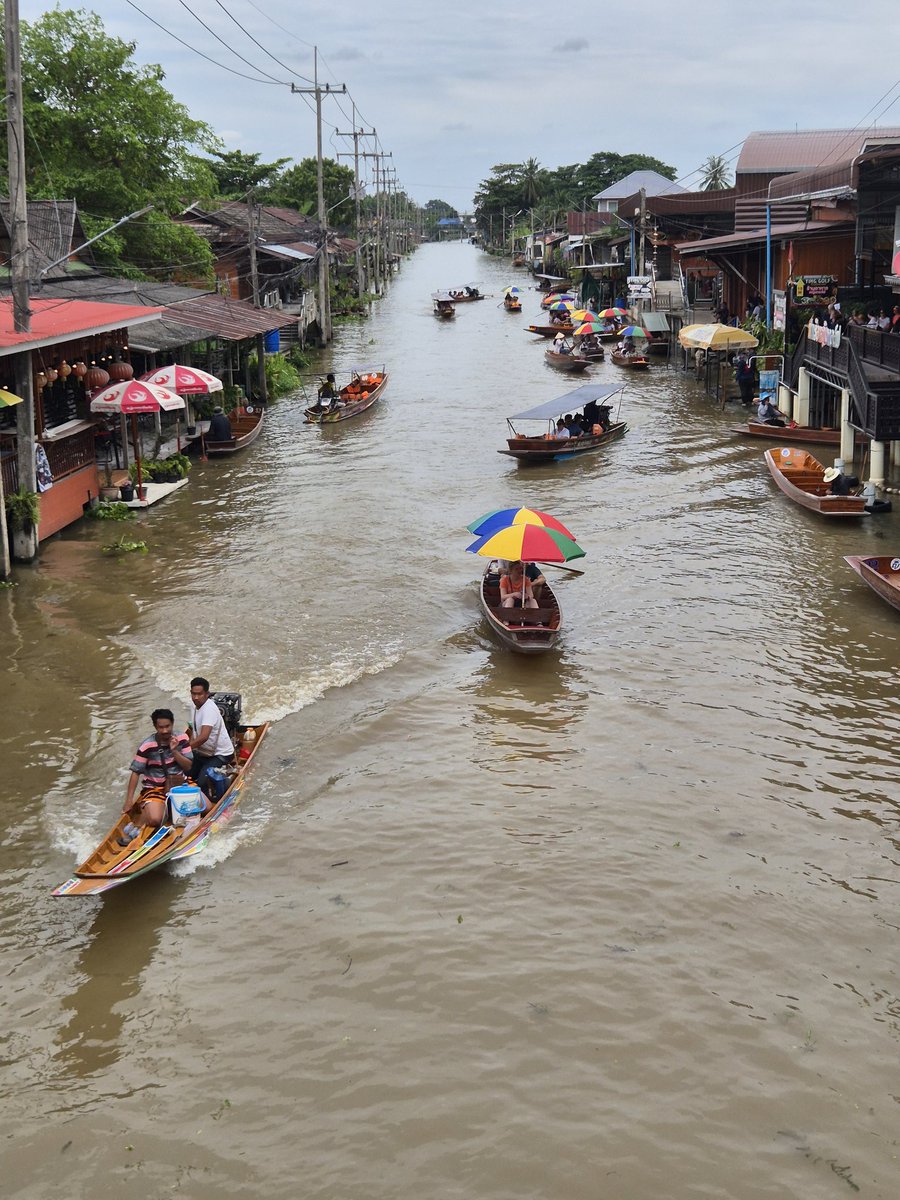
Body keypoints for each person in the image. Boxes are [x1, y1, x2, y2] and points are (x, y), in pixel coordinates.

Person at [120, 708, 195, 843]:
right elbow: (136, 772)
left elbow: (188, 766)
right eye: (161, 727)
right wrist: (129, 801)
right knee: (155, 819)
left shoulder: (182, 738)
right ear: (155, 727)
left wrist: (175, 751)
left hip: (180, 785)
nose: (165, 730)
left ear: (172, 724)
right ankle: (147, 812)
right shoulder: (146, 746)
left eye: (167, 726)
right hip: (155, 789)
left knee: (205, 807)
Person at [187, 677, 235, 797]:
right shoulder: (193, 706)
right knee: (186, 774)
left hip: (221, 754)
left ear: (207, 694)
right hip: (203, 752)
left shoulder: (209, 709)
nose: (196, 697)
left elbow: (204, 737)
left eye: (199, 694)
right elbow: (193, 729)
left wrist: (184, 748)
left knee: (202, 781)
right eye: (193, 694)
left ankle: (211, 801)